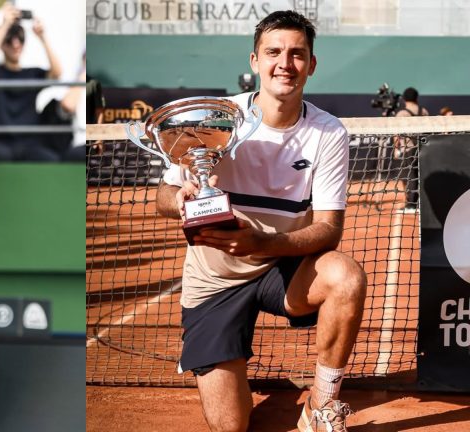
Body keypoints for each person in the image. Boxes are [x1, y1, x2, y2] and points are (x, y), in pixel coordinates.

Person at [155, 11, 366, 432]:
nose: (284, 64)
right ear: (255, 60)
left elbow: (328, 229)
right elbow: (162, 195)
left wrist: (261, 244)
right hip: (214, 283)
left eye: (297, 54)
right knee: (231, 426)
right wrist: (178, 197)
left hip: (280, 268)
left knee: (347, 277)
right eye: (273, 52)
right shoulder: (216, 117)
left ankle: (321, 406)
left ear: (312, 63)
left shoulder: (328, 132)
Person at [0, 2, 62, 161]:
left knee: (51, 159)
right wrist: (4, 26)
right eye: (10, 40)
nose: (16, 44)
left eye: (20, 39)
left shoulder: (32, 73)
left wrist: (42, 37)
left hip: (29, 143)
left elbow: (57, 73)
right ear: (2, 44)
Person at [395, 87, 428, 213]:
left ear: (404, 99)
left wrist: (396, 149)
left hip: (408, 149)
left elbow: (397, 135)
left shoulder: (402, 113)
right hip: (423, 148)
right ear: (416, 98)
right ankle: (418, 203)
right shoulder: (423, 111)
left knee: (409, 176)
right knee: (420, 175)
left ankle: (411, 205)